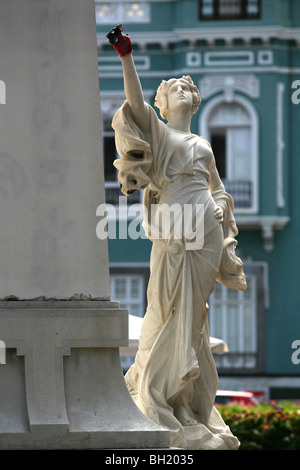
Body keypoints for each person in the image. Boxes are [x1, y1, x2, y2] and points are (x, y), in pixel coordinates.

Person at [107, 25, 246, 450]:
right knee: (168, 310)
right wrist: (126, 56)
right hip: (173, 230)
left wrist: (221, 205)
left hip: (205, 231)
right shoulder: (161, 136)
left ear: (194, 101)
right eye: (174, 89)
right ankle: (161, 399)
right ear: (162, 106)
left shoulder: (203, 145)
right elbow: (134, 103)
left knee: (195, 317)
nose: (183, 89)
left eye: (188, 88)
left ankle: (187, 404)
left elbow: (217, 186)